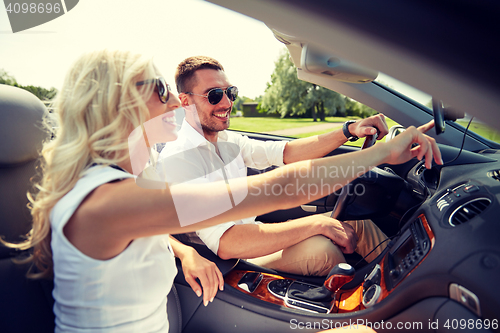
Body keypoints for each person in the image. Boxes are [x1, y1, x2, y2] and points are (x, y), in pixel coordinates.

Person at [4, 49, 441, 332]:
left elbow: (285, 156)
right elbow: (276, 189)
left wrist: (183, 251)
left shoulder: (118, 187)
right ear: (118, 103)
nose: (175, 101)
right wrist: (382, 153)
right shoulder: (107, 200)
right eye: (160, 90)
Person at [156, 56, 392, 276]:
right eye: (214, 95)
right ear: (185, 101)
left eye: (231, 92)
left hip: (255, 235)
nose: (227, 103)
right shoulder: (180, 159)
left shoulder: (228, 140)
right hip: (234, 260)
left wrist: (348, 130)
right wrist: (316, 223)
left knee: (358, 223)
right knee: (322, 251)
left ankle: (399, 283)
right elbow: (227, 243)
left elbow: (287, 152)